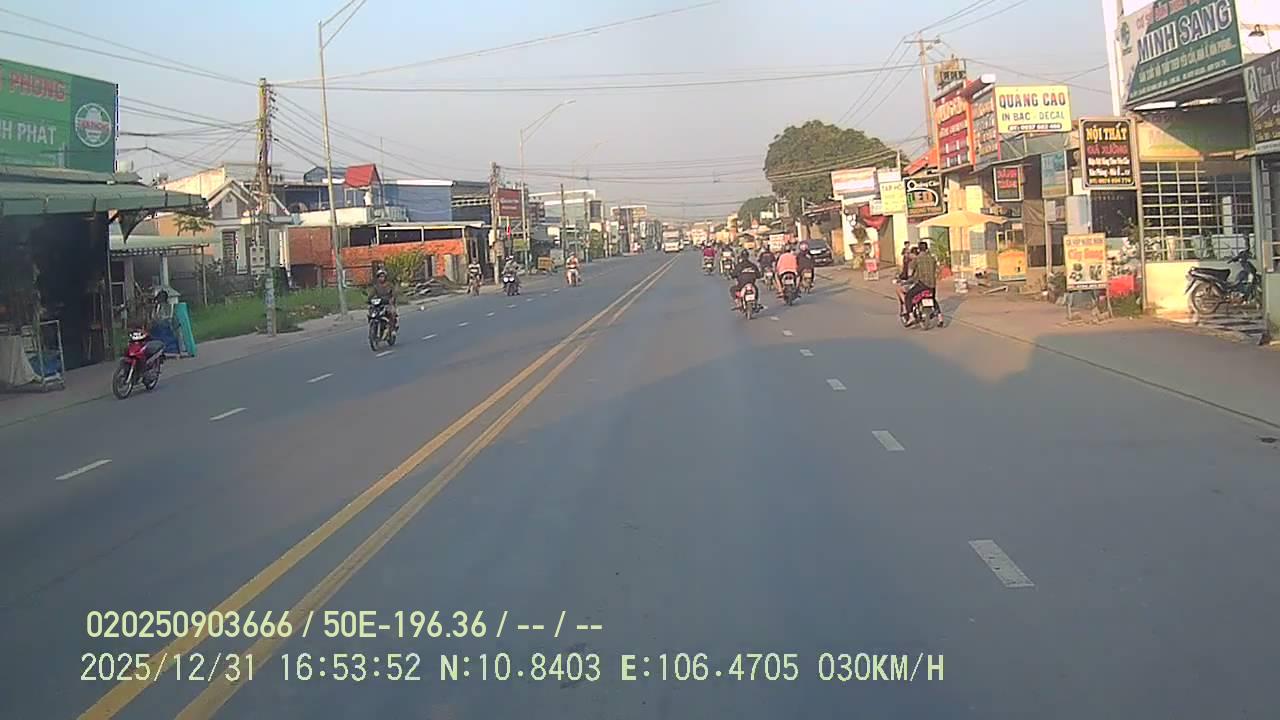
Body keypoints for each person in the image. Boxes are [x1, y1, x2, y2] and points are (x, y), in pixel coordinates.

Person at [903, 241, 939, 322]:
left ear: (919, 249)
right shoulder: (932, 258)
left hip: (922, 284)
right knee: (933, 298)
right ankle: (937, 314)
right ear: (927, 249)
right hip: (932, 285)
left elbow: (910, 272)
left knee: (908, 296)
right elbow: (937, 270)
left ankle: (911, 316)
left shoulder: (917, 259)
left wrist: (909, 277)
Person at [896, 245, 917, 311]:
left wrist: (901, 279)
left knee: (899, 289)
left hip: (914, 283)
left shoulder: (912, 262)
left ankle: (906, 305)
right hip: (926, 284)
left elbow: (908, 275)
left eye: (909, 253)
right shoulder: (923, 260)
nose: (908, 255)